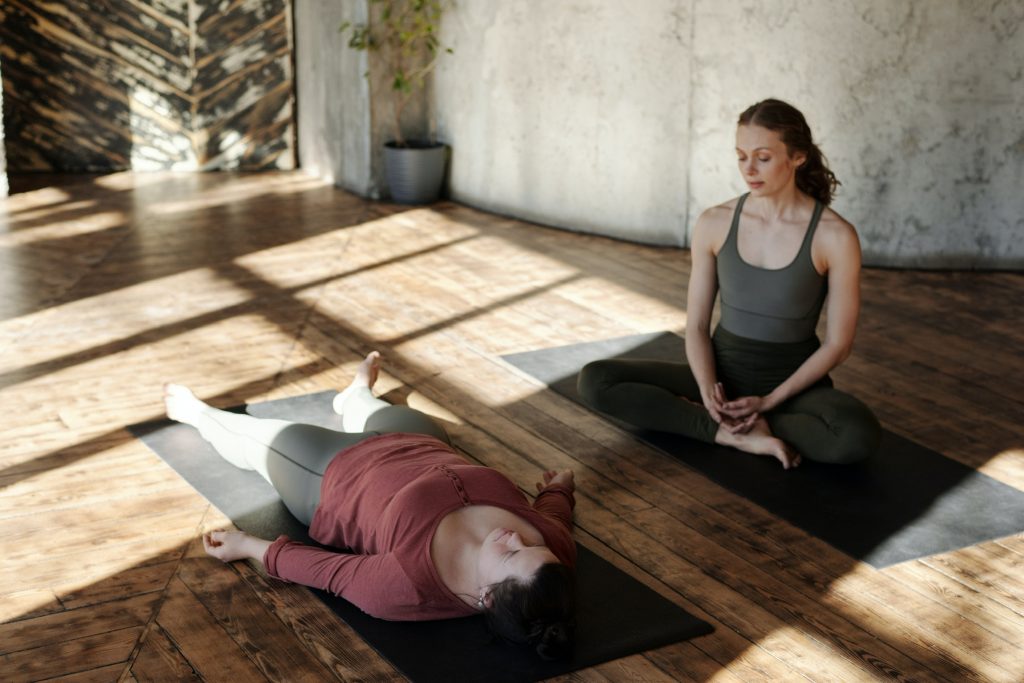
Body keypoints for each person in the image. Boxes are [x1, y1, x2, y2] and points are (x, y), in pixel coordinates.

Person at [165, 351, 577, 659]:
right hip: (422, 442)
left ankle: (196, 413)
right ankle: (355, 395)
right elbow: (553, 518)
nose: (514, 537)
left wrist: (248, 547)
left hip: (331, 473)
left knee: (250, 436)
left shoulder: (404, 588)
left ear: (486, 597)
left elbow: (329, 572)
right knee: (381, 411)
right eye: (529, 543)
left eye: (511, 553)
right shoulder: (551, 554)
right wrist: (558, 490)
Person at [579, 98, 880, 470]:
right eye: (741, 156)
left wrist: (768, 402)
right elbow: (697, 325)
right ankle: (724, 431)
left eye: (763, 157)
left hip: (792, 386)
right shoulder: (715, 222)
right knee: (596, 380)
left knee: (855, 436)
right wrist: (707, 393)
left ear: (798, 157)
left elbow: (838, 345)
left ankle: (760, 423)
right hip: (721, 375)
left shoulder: (835, 236)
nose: (748, 169)